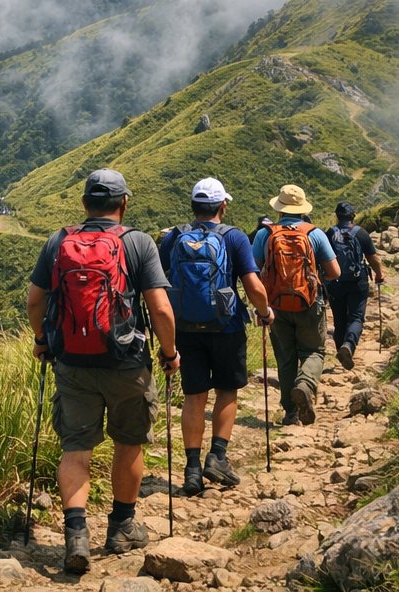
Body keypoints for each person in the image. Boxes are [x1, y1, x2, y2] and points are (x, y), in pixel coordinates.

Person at [26, 168, 180, 575]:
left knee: (76, 449)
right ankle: (121, 526)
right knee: (129, 444)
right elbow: (161, 308)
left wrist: (43, 342)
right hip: (127, 363)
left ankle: (76, 535)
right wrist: (170, 353)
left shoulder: (59, 241)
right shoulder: (138, 243)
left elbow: (34, 302)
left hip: (73, 363)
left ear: (83, 204)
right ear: (124, 203)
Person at [158, 178, 272, 495]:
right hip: (227, 326)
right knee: (226, 390)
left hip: (184, 328)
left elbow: (159, 282)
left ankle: (192, 469)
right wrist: (264, 313)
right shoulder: (234, 238)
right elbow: (252, 286)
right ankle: (217, 457)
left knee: (194, 396)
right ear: (223, 206)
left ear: (194, 207)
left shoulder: (174, 237)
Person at [251, 185, 341, 426]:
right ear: (302, 210)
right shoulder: (315, 234)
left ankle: (290, 412)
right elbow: (334, 272)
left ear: (279, 210)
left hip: (276, 306)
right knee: (315, 351)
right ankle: (306, 383)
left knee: (285, 357)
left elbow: (252, 271)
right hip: (309, 303)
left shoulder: (265, 234)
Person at [325, 202, 384, 369]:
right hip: (358, 282)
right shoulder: (361, 233)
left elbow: (323, 258)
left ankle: (341, 352)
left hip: (335, 282)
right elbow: (372, 258)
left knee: (339, 319)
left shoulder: (330, 233)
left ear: (337, 216)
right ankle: (349, 346)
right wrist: (379, 275)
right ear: (353, 216)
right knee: (356, 317)